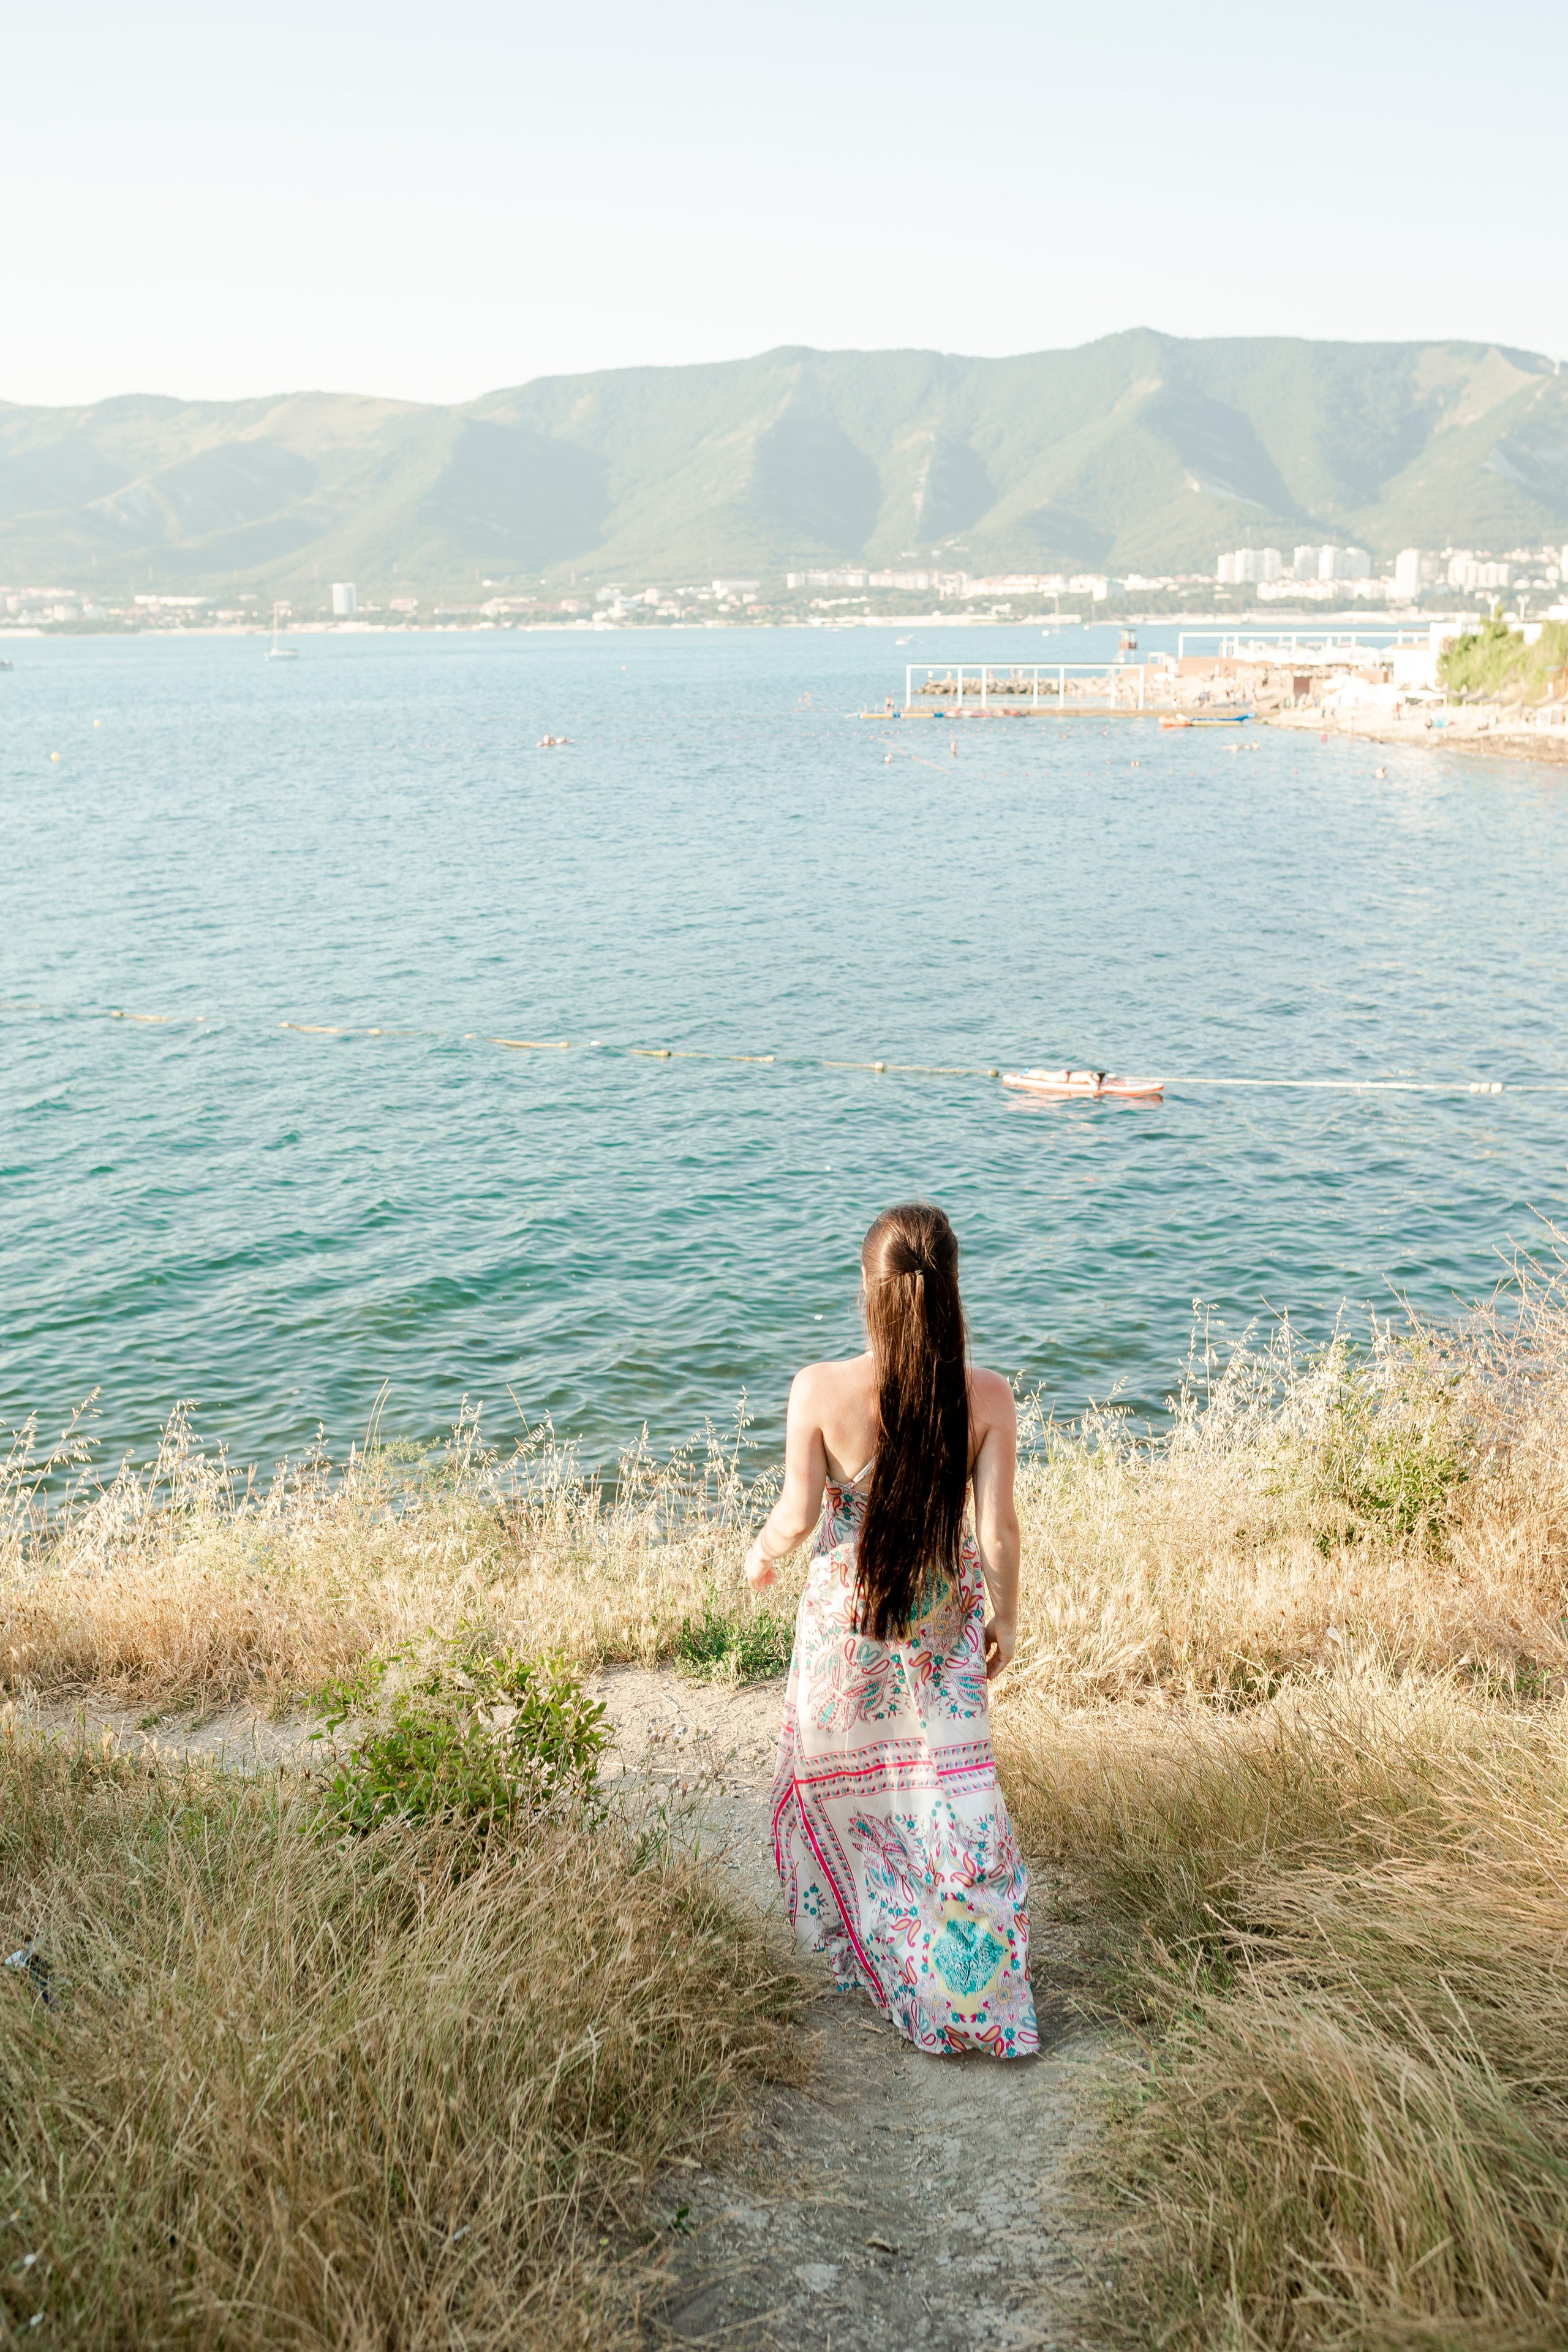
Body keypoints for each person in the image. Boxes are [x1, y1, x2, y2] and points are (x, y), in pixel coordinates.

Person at [745, 1203, 1038, 2059]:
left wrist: (759, 1555)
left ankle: (863, 1948)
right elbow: (999, 1535)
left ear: (866, 1292)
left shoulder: (818, 1389)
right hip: (943, 1626)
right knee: (946, 1796)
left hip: (849, 1630)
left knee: (855, 1791)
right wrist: (1008, 1618)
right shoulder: (986, 1398)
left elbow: (798, 1517)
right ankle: (970, 1981)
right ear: (951, 1292)